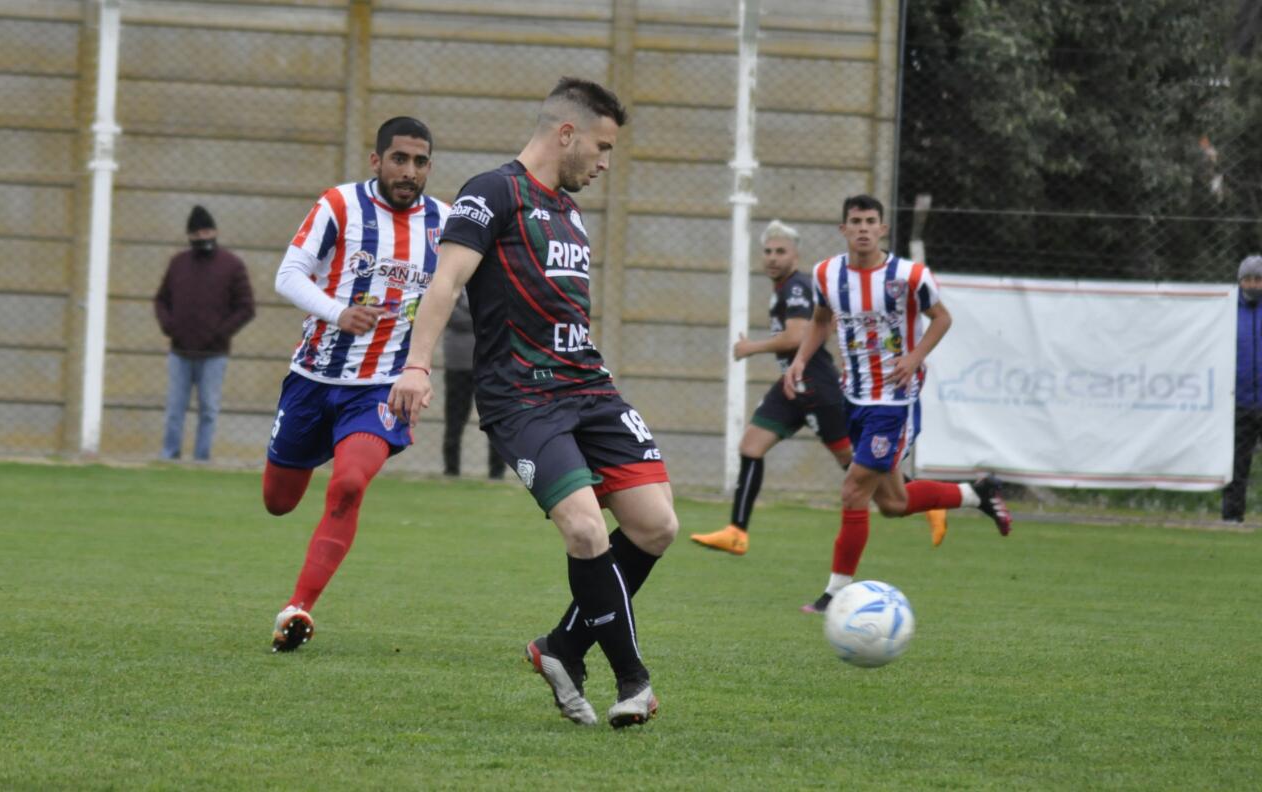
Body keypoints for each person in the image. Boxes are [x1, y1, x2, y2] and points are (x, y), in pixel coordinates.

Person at [388, 78, 678, 729]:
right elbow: (446, 281)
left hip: (590, 388)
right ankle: (633, 681)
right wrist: (416, 365)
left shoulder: (569, 211)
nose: (605, 163)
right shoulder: (492, 192)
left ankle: (561, 648)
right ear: (566, 133)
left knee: (657, 525)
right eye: (602, 147)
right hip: (522, 397)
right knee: (585, 529)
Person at [262, 116, 448, 653]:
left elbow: (466, 290)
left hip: (382, 387)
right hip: (313, 379)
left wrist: (421, 368)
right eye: (399, 159)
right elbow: (287, 275)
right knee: (278, 501)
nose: (409, 171)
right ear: (376, 160)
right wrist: (337, 312)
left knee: (348, 484)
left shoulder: (445, 223)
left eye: (420, 162)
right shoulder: (339, 205)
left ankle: (298, 608)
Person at [785, 194, 1012, 614]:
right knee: (892, 503)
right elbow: (820, 321)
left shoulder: (909, 275)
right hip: (854, 396)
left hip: (894, 400)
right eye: (856, 221)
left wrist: (914, 357)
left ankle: (834, 594)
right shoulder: (826, 273)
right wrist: (800, 360)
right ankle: (977, 493)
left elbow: (942, 317)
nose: (864, 228)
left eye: (871, 221)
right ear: (843, 229)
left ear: (883, 228)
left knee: (853, 489)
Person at [690, 220, 853, 555]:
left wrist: (751, 347)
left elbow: (796, 336)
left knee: (856, 467)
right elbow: (815, 329)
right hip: (792, 385)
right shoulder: (786, 288)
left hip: (816, 386)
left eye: (781, 251)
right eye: (767, 251)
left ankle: (927, 498)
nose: (773, 257)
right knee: (751, 446)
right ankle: (737, 532)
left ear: (795, 256)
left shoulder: (796, 287)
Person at [153, 205, 255, 461]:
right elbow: (161, 300)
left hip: (214, 354)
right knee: (175, 408)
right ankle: (169, 456)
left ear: (215, 232)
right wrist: (170, 326)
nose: (203, 237)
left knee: (208, 409)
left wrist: (221, 333)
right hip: (180, 351)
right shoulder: (178, 264)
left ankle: (202, 458)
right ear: (189, 236)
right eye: (197, 234)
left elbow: (246, 307)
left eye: (207, 232)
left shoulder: (232, 265)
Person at [442, 290, 505, 479]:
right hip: (460, 365)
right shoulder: (454, 288)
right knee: (455, 420)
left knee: (495, 418)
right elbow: (448, 315)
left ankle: (496, 473)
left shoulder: (490, 286)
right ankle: (451, 470)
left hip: (488, 365)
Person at [1222, 254, 1262, 522]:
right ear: (1239, 281)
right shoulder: (1225, 309)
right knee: (1236, 465)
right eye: (1248, 279)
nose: (1253, 284)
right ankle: (1232, 518)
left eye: (1258, 279)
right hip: (1238, 401)